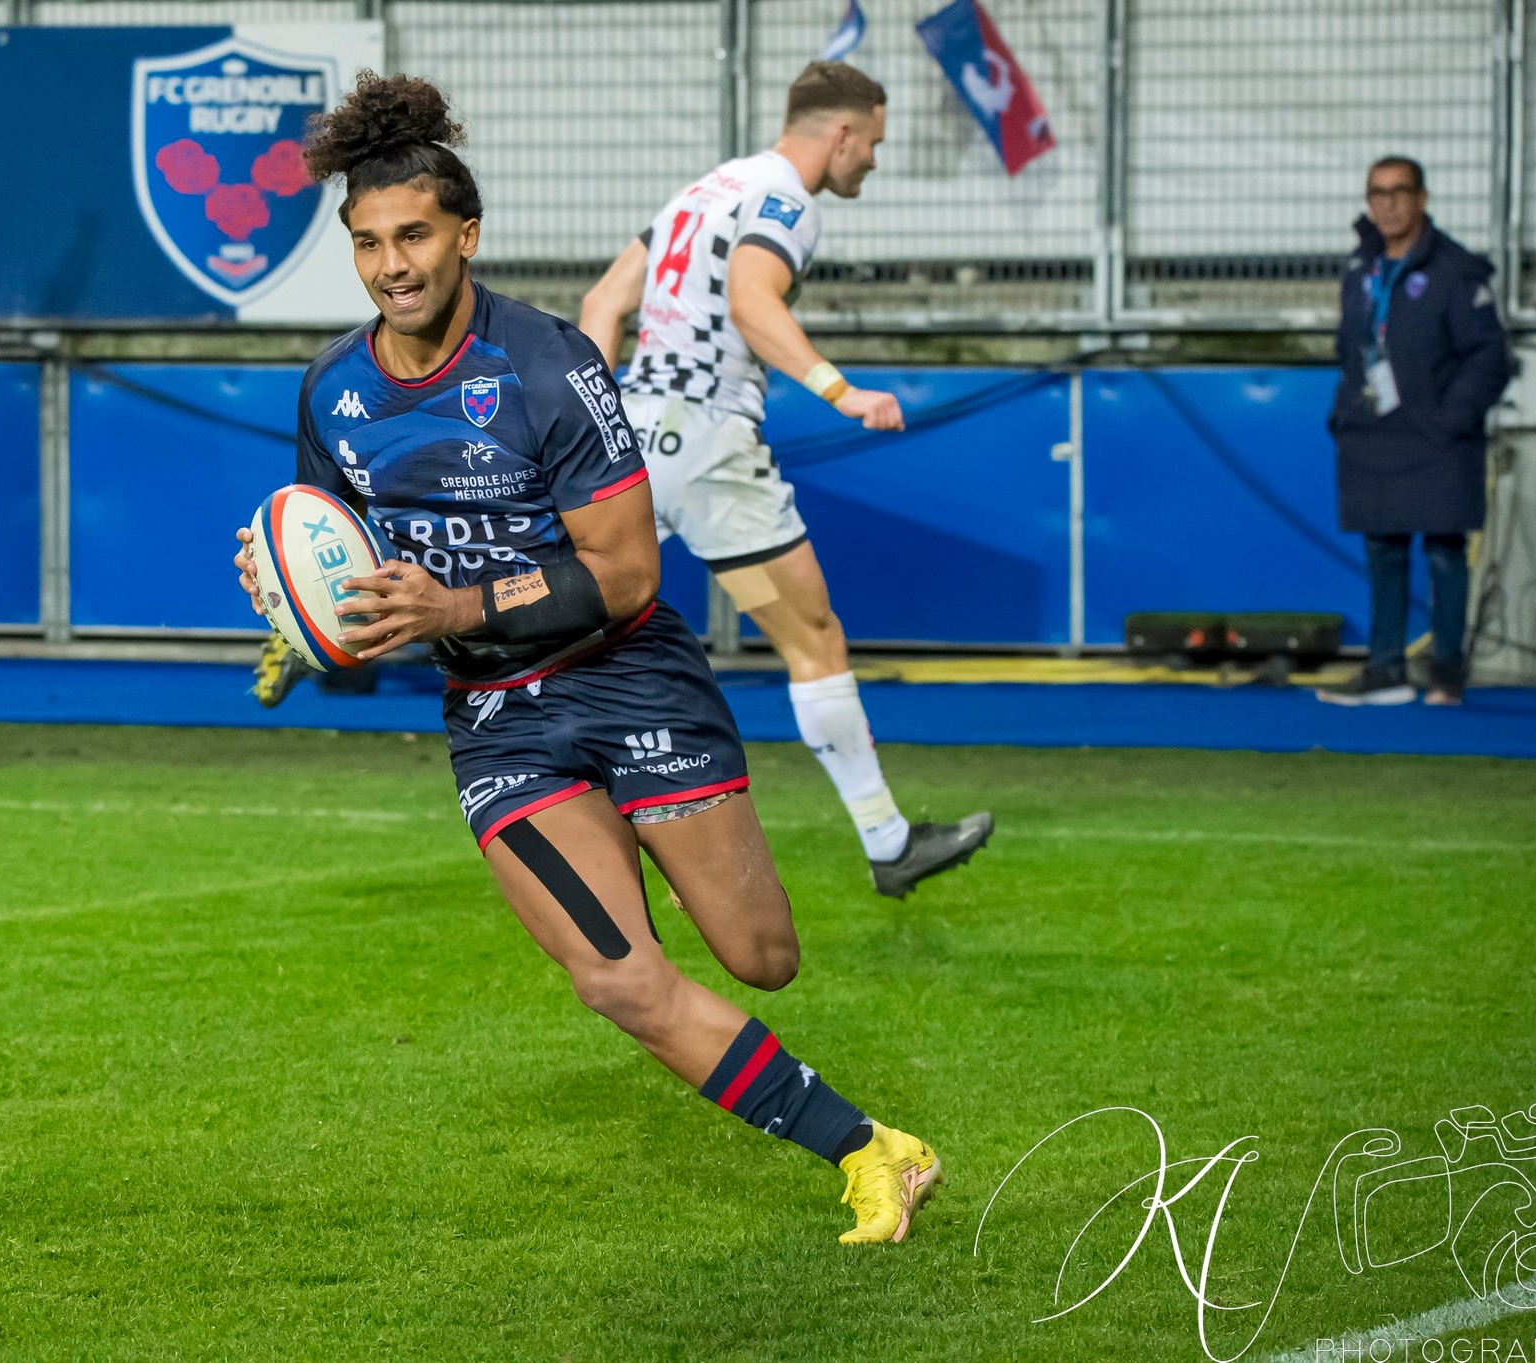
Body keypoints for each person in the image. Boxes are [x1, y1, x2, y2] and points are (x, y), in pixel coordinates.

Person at [232, 74, 944, 1245]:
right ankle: (873, 1151)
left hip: (625, 675)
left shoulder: (550, 367)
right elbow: (342, 565)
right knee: (618, 979)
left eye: (413, 236)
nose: (391, 265)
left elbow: (624, 575)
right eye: (367, 243)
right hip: (499, 719)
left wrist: (451, 597)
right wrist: (300, 609)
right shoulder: (333, 391)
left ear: (466, 235)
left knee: (760, 959)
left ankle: (647, 837)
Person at [578, 61, 992, 896]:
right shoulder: (785, 199)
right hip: (710, 443)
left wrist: (599, 427)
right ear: (840, 133)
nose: (873, 160)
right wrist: (843, 391)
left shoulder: (701, 190)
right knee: (814, 638)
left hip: (637, 434)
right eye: (872, 142)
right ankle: (887, 840)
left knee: (563, 615)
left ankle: (342, 619)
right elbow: (752, 300)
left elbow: (602, 303)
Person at [1318, 155, 1510, 708]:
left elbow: (1488, 357)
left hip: (1438, 437)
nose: (1388, 203)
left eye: (1399, 191)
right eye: (1377, 192)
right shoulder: (1360, 268)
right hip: (1375, 434)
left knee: (1446, 550)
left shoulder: (1455, 270)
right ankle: (1385, 669)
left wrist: (1453, 416)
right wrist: (1345, 409)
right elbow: (1348, 350)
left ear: (1422, 199)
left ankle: (1446, 673)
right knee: (1383, 549)